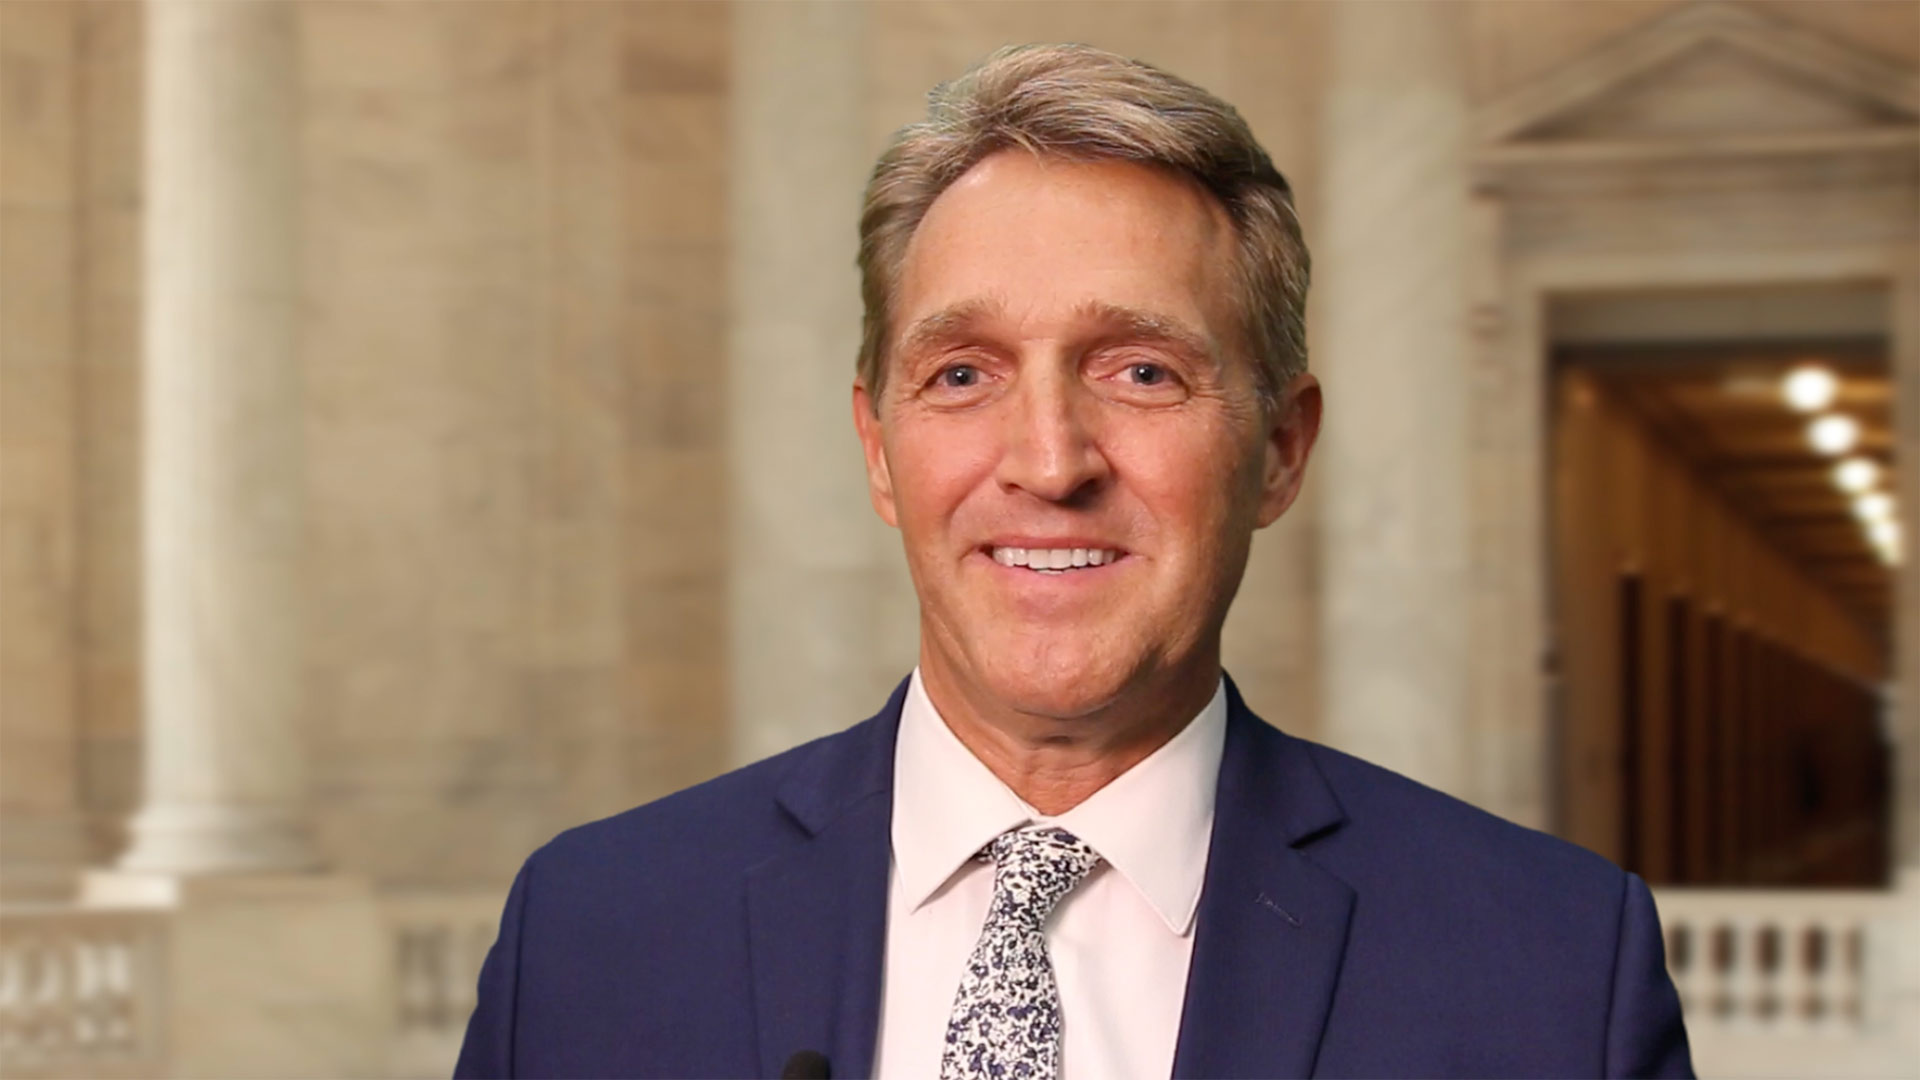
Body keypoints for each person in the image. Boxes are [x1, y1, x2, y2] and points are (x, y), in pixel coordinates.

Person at [454, 43, 1692, 1080]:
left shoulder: (1552, 972)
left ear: (1279, 450)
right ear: (880, 451)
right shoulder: (590, 935)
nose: (1048, 462)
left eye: (1141, 372)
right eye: (962, 374)